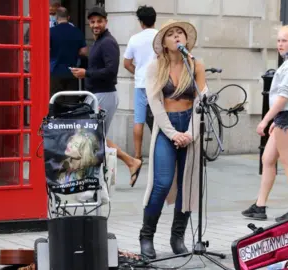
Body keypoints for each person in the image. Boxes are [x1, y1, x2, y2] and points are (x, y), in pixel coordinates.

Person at [139, 19, 206, 259]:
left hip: (190, 126)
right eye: (172, 34)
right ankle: (146, 236)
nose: (177, 37)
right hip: (166, 127)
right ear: (164, 43)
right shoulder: (154, 67)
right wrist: (173, 133)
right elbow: (155, 104)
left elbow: (200, 101)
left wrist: (190, 133)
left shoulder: (196, 65)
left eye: (181, 33)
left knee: (187, 185)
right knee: (162, 182)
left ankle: (177, 237)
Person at [241, 25, 288, 222]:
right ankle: (260, 205)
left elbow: (284, 97)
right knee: (268, 159)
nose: (280, 44)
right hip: (285, 118)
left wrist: (265, 120)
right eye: (279, 40)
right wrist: (275, 121)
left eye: (285, 41)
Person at [70, 6, 143, 187]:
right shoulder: (99, 42)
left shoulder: (108, 42)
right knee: (93, 136)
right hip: (96, 95)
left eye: (99, 21)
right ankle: (127, 163)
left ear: (106, 22)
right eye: (93, 22)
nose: (95, 25)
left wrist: (85, 73)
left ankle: (127, 163)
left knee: (93, 137)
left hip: (104, 95)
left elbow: (111, 72)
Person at [124, 5, 158, 161]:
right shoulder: (161, 37)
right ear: (154, 19)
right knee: (159, 119)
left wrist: (137, 72)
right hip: (157, 84)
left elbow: (126, 63)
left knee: (139, 120)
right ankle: (159, 153)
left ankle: (137, 156)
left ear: (141, 22)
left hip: (140, 84)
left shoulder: (134, 39)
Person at [49, 7, 87, 103]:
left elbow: (46, 50)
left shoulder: (51, 32)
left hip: (55, 71)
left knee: (56, 102)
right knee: (71, 104)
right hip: (72, 72)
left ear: (56, 18)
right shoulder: (77, 31)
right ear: (68, 17)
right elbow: (84, 51)